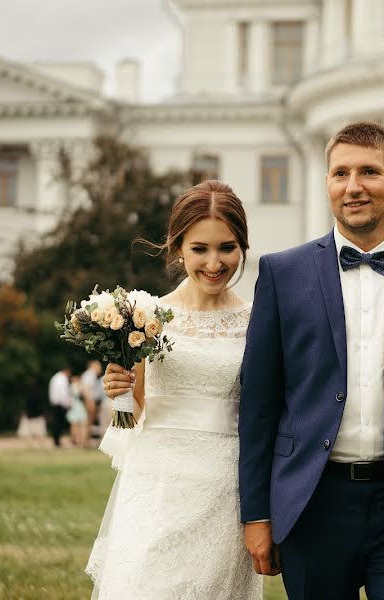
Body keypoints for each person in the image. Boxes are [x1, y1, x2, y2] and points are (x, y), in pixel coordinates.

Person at [239, 122, 384, 599]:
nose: (353, 187)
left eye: (369, 171)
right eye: (340, 173)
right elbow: (259, 403)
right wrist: (257, 513)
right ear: (326, 182)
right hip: (313, 504)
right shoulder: (281, 274)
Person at [90, 181, 261, 599]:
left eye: (227, 247)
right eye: (200, 248)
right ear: (178, 247)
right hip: (157, 479)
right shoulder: (147, 316)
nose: (215, 262)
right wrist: (119, 389)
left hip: (224, 485)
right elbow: (137, 404)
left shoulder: (256, 321)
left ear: (242, 247)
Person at [48, 365, 72, 448]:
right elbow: (63, 393)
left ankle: (56, 440)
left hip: (55, 403)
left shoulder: (55, 377)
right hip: (60, 404)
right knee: (58, 423)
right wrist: (67, 404)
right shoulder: (63, 379)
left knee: (56, 423)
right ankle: (57, 441)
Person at [80, 360, 105, 436]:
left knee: (89, 421)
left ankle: (84, 441)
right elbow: (86, 389)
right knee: (88, 421)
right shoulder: (89, 375)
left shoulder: (90, 375)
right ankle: (83, 441)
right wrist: (90, 402)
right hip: (90, 400)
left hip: (90, 400)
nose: (100, 368)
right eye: (98, 366)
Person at [66, 374, 89, 448]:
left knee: (74, 426)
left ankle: (76, 441)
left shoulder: (71, 387)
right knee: (81, 426)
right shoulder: (80, 386)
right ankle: (81, 442)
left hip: (74, 407)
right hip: (78, 407)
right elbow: (85, 397)